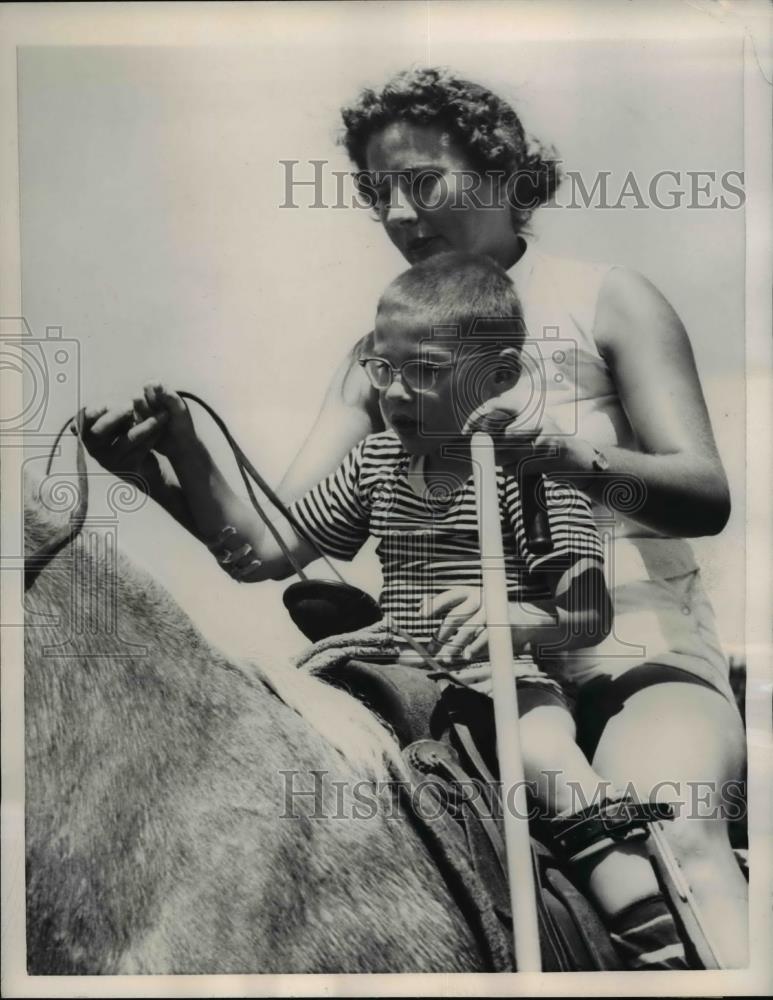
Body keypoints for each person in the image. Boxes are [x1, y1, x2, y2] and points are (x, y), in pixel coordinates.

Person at [80, 67, 747, 967]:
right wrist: (168, 467)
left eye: (421, 182)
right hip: (450, 668)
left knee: (674, 824)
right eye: (374, 193)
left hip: (628, 649)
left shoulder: (607, 298)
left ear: (504, 171)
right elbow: (275, 542)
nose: (397, 215)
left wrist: (559, 455)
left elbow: (703, 495)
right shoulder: (382, 355)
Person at [122, 252, 697, 969]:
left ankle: (655, 934)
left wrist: (504, 616)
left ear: (498, 376)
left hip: (505, 681)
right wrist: (185, 451)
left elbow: (585, 614)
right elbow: (268, 551)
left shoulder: (530, 472)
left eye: (423, 371)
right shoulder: (376, 464)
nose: (395, 393)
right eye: (381, 370)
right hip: (388, 665)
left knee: (547, 757)